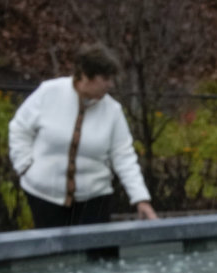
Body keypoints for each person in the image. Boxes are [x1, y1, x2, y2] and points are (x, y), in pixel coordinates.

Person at [9, 44, 158, 227]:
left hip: (94, 200)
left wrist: (140, 199)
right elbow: (19, 129)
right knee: (55, 253)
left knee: (97, 254)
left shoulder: (113, 111)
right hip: (44, 197)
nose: (110, 84)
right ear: (86, 76)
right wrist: (24, 166)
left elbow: (124, 156)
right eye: (105, 78)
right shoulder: (49, 92)